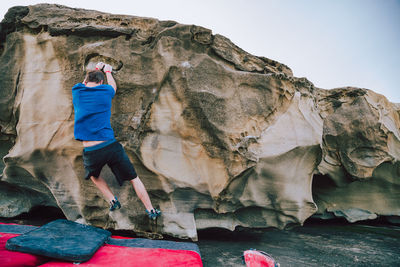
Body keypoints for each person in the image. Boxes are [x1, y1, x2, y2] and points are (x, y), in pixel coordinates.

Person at [72, 62, 161, 220]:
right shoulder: (106, 91)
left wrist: (97, 69)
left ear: (86, 82)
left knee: (93, 175)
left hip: (91, 151)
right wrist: (107, 71)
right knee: (134, 178)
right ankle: (151, 210)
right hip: (110, 145)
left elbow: (85, 81)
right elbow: (113, 85)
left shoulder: (78, 91)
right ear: (101, 83)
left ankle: (112, 200)